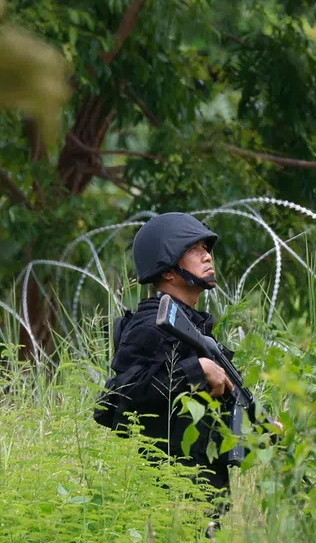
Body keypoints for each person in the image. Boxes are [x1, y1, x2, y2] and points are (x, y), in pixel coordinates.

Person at [93, 212, 242, 504]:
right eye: (194, 250)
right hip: (167, 495)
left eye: (206, 249)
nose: (207, 257)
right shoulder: (150, 324)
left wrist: (261, 425)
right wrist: (197, 370)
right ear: (168, 270)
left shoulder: (194, 326)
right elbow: (124, 393)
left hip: (200, 492)